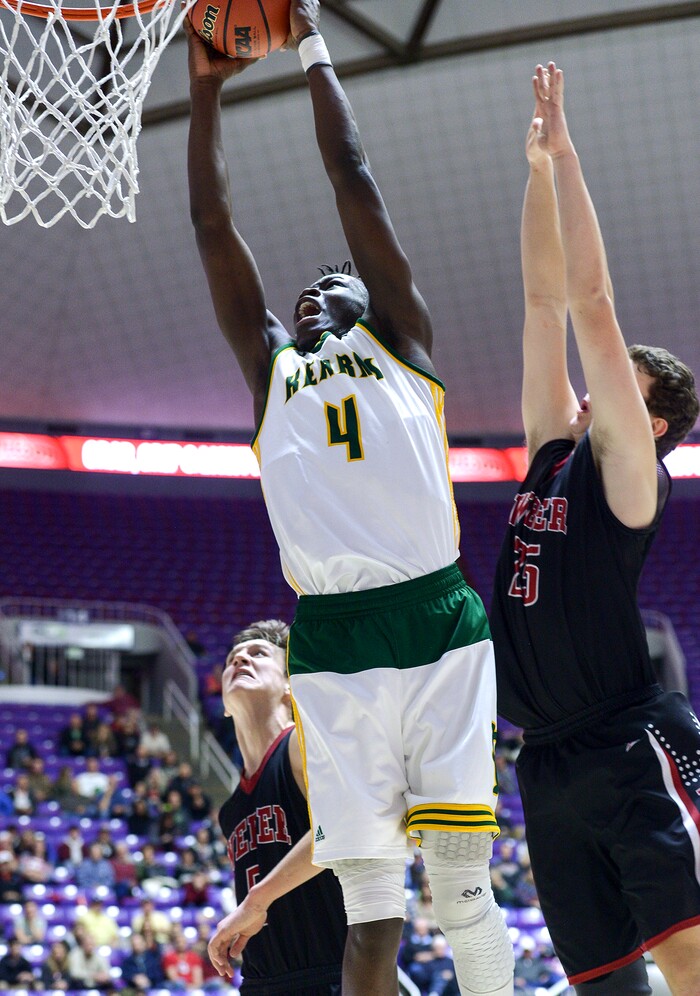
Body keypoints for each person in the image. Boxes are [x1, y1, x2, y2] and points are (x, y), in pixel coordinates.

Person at [186, 2, 513, 993]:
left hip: (436, 610)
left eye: (335, 283)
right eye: (304, 291)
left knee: (457, 894)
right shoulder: (268, 373)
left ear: (376, 300)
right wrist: (204, 96)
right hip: (328, 639)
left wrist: (314, 40)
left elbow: (352, 176)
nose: (311, 291)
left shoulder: (401, 344)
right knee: (370, 910)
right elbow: (211, 227)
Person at [489, 63, 700, 995]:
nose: (590, 383)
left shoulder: (630, 476)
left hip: (628, 742)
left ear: (652, 424)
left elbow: (589, 308)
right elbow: (543, 307)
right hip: (545, 761)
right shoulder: (549, 455)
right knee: (604, 982)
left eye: (620, 387)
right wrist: (535, 175)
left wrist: (569, 156)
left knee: (689, 955)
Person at [206, 620, 347, 994]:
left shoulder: (302, 746)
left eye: (258, 654)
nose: (241, 660)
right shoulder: (230, 810)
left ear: (290, 686)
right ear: (223, 705)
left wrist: (258, 899)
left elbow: (342, 831)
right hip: (260, 982)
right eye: (233, 658)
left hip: (332, 973)